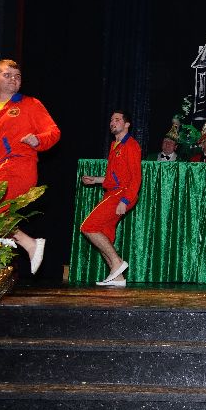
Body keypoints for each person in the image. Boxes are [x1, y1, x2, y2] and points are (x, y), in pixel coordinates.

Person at [0, 59, 60, 274]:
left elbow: (53, 132)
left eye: (17, 76)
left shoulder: (29, 104)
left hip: (19, 165)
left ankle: (28, 243)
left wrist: (38, 140)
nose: (13, 80)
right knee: (0, 217)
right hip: (0, 169)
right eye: (7, 75)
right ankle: (17, 248)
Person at [80, 110, 142, 286]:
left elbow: (136, 178)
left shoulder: (131, 145)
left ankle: (117, 262)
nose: (112, 122)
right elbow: (114, 177)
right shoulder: (115, 145)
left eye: (117, 119)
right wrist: (96, 180)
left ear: (127, 124)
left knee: (88, 227)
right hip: (113, 192)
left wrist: (125, 200)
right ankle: (118, 278)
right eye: (111, 120)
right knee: (104, 234)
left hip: (122, 194)